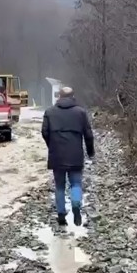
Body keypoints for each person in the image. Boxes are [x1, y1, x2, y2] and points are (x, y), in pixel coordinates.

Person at [41, 86, 94, 226]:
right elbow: (88, 135)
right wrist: (90, 152)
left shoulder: (49, 112)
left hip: (57, 155)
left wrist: (51, 145)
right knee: (76, 184)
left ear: (59, 96)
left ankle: (61, 214)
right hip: (75, 154)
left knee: (59, 186)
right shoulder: (80, 112)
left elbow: (44, 132)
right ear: (73, 97)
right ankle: (76, 205)